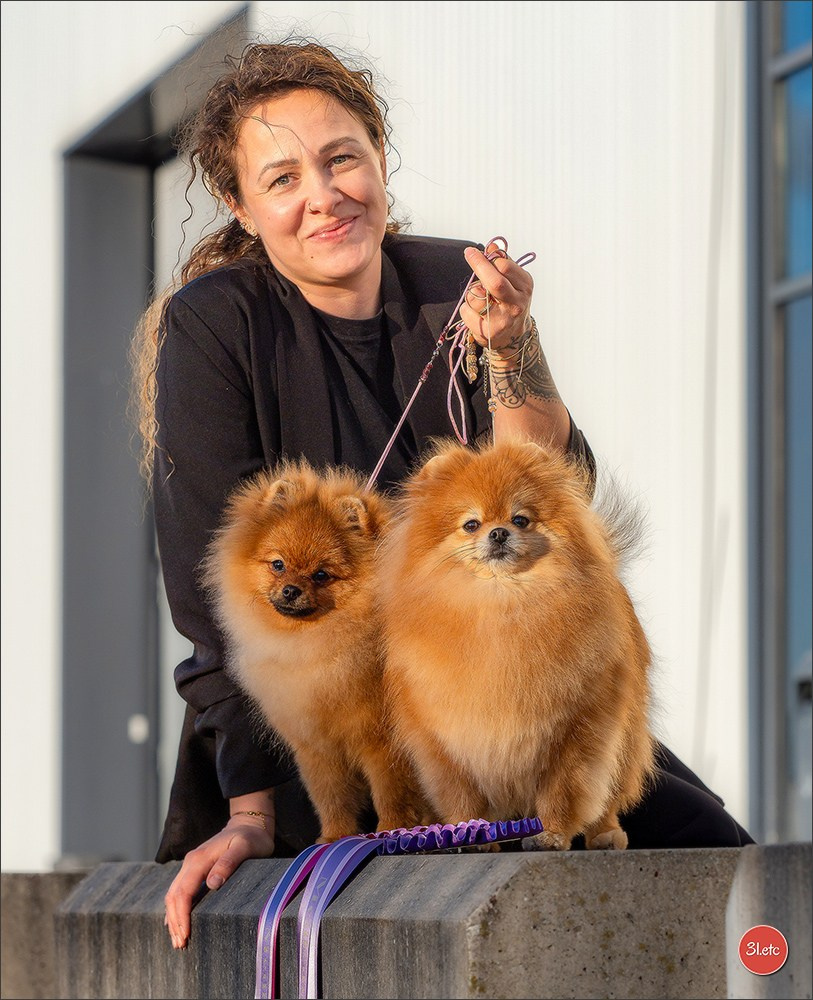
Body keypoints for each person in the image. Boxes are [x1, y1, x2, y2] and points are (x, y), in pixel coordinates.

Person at [130, 39, 753, 952]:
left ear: (379, 155)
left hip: (494, 702)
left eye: (342, 157)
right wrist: (252, 810)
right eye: (282, 177)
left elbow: (553, 491)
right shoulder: (218, 323)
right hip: (319, 732)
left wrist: (508, 348)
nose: (324, 194)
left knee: (725, 872)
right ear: (241, 205)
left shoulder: (449, 288)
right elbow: (210, 596)